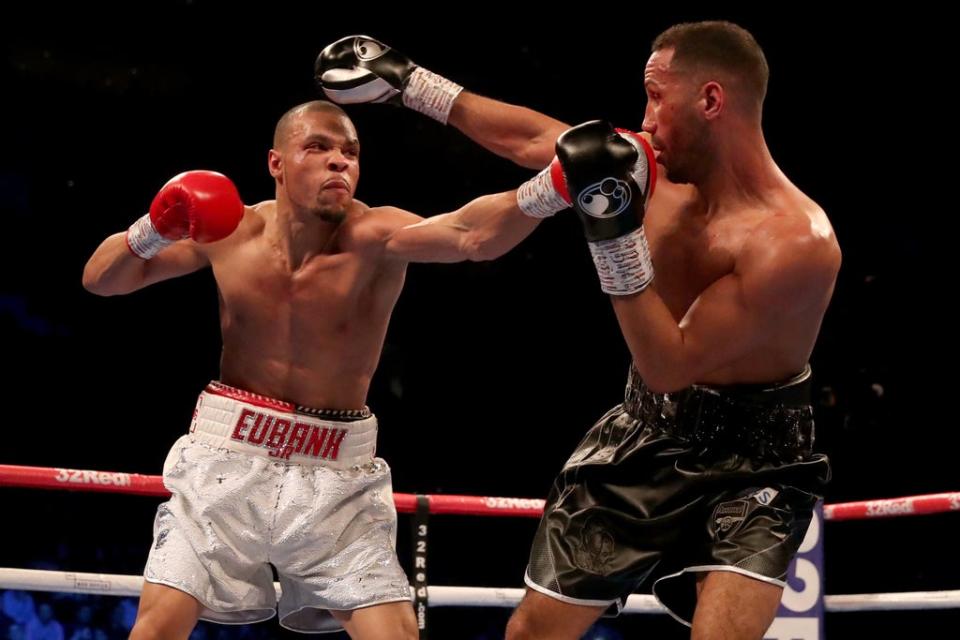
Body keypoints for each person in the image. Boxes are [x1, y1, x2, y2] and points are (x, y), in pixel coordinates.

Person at [317, 20, 839, 639]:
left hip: (759, 460)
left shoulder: (795, 243)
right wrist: (411, 84)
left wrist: (612, 236)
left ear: (710, 100)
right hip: (647, 430)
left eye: (655, 96)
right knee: (532, 633)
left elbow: (669, 365)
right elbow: (536, 138)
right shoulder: (651, 164)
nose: (644, 120)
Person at [81, 99, 549, 638]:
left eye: (350, 152)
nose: (339, 163)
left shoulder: (377, 236)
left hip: (337, 478)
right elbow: (103, 279)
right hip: (226, 462)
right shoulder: (229, 232)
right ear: (276, 163)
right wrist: (154, 228)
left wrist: (554, 186)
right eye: (318, 148)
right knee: (157, 628)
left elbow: (473, 235)